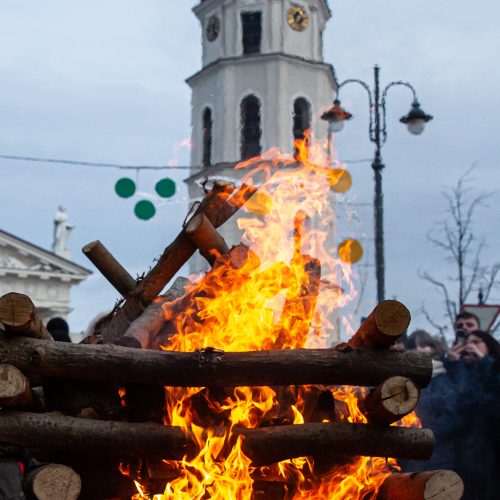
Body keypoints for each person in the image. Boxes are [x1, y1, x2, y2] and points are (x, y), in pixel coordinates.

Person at [446, 330, 500, 499]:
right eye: (467, 343)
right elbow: (458, 406)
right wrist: (454, 365)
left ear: (490, 348)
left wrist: (485, 362)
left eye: (476, 342)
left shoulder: (494, 370)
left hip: (491, 464)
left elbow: (487, 404)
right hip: (462, 463)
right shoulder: (456, 371)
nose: (469, 346)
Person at [400, 330, 461, 473]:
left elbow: (452, 414)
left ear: (433, 349)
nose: (418, 350)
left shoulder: (442, 377)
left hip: (440, 455)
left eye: (423, 345)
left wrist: (424, 434)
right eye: (413, 346)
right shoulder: (402, 379)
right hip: (409, 456)